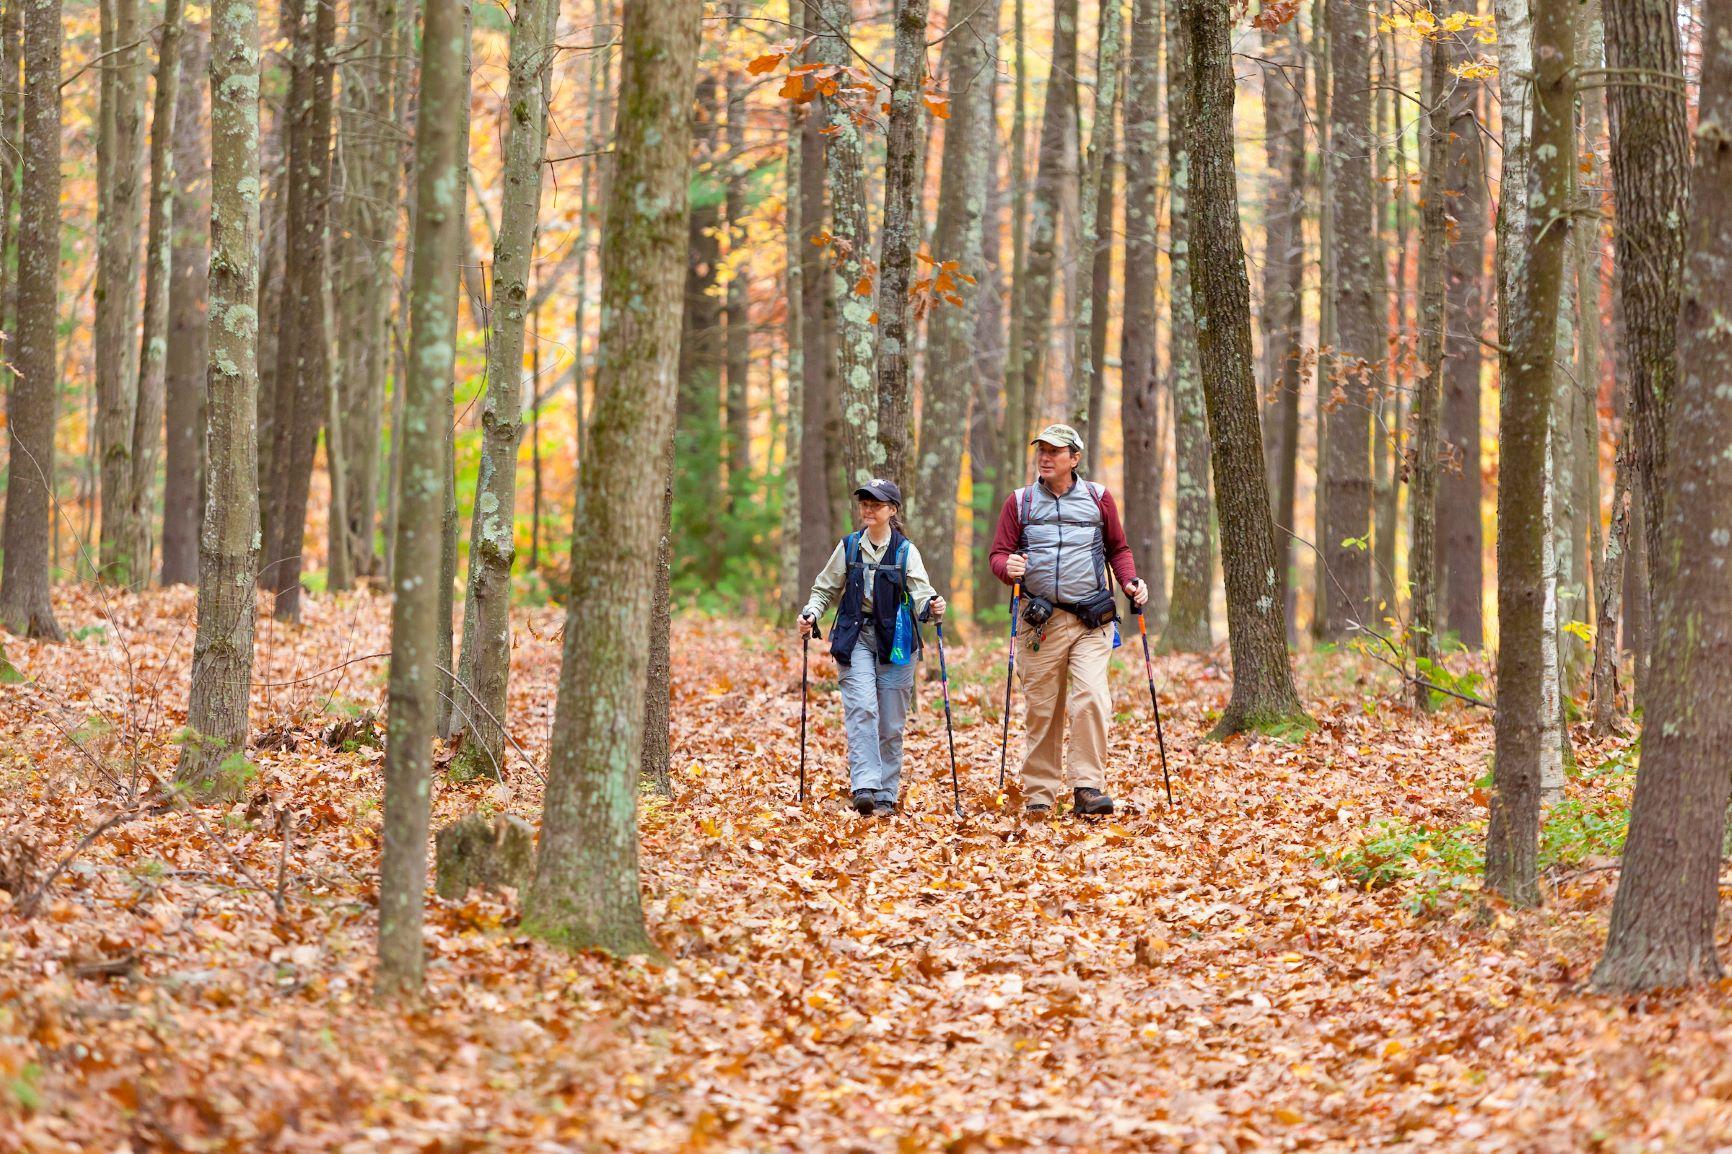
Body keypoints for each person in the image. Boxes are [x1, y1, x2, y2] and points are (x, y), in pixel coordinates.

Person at [989, 423, 1149, 816]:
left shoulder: (1099, 498)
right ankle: (1040, 794)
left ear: (1074, 458)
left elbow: (1118, 548)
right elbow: (998, 554)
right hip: (1038, 622)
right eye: (1041, 450)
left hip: (1091, 621)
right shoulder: (1020, 502)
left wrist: (1130, 582)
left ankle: (1088, 787)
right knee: (1043, 709)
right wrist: (1006, 567)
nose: (1045, 457)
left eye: (1054, 451)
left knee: (1091, 698)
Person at [800, 479, 946, 818]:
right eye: (864, 502)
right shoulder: (849, 547)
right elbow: (824, 588)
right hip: (856, 638)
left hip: (896, 643)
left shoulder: (905, 551)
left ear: (892, 510)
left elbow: (923, 593)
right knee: (862, 709)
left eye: (876, 503)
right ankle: (864, 786)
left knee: (892, 723)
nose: (868, 508)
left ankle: (886, 791)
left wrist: (933, 606)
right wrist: (810, 613)